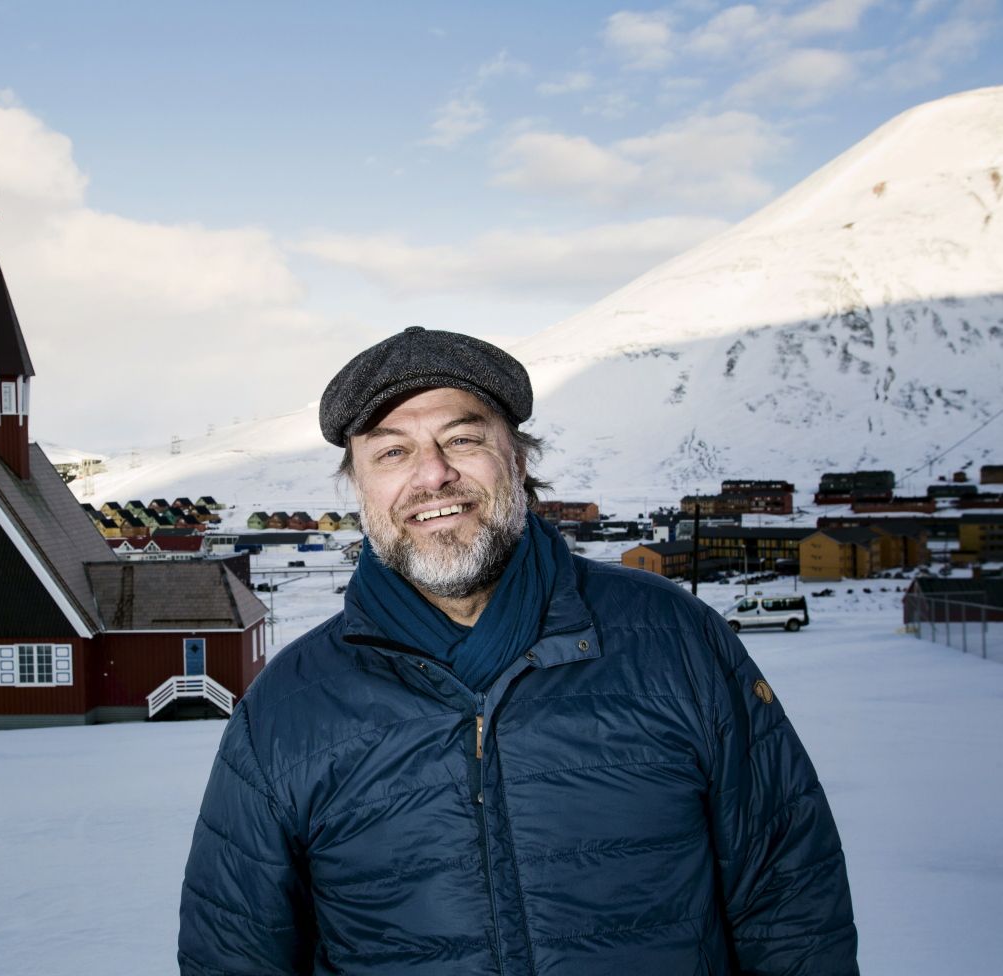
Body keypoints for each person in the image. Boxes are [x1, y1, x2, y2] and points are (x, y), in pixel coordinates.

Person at [179, 327, 857, 974]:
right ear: (359, 486)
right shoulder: (292, 705)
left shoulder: (673, 641)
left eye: (463, 439)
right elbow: (234, 950)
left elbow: (788, 895)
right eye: (391, 452)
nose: (432, 476)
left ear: (518, 459)